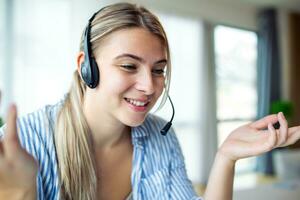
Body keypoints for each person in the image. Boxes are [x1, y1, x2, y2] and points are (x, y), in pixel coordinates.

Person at [0, 2, 300, 200]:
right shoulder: (25, 143)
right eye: (129, 66)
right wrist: (19, 192)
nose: (149, 86)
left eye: (158, 70)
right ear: (85, 66)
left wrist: (226, 157)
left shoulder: (159, 139)